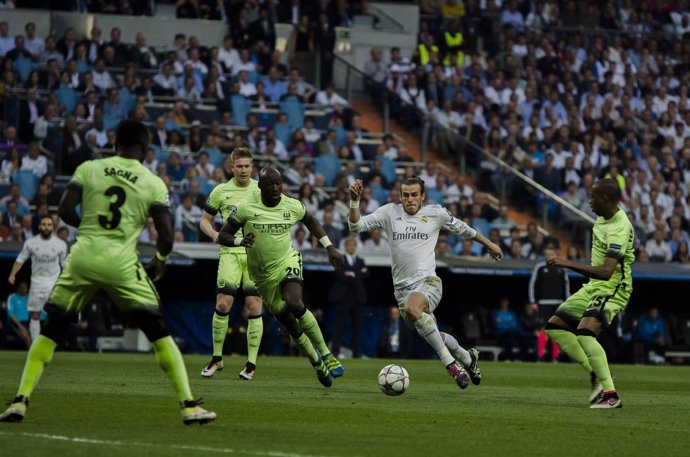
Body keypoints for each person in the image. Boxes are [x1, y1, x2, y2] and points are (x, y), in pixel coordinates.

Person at [0, 120, 215, 425]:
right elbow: (166, 234)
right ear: (145, 147)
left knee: (50, 331)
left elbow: (64, 208)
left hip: (83, 256)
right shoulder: (153, 182)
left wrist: (88, 226)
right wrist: (162, 259)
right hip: (121, 262)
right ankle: (189, 405)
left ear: (114, 144)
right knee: (158, 331)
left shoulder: (89, 168)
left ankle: (20, 401)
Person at [348, 177, 503, 389]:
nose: (409, 199)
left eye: (414, 195)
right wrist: (354, 202)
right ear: (400, 196)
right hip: (402, 291)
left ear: (422, 196)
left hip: (428, 282)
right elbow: (355, 226)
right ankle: (468, 359)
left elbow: (463, 229)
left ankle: (451, 366)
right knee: (433, 335)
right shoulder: (389, 213)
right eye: (405, 195)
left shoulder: (435, 213)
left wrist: (489, 244)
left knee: (414, 308)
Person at [217, 167, 345, 387]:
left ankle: (326, 353)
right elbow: (223, 235)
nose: (275, 187)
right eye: (270, 184)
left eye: (278, 183)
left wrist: (329, 247)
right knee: (292, 327)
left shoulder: (291, 205)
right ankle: (315, 361)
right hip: (261, 276)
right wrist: (240, 241)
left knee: (295, 303)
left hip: (287, 261)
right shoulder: (246, 207)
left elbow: (311, 220)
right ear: (260, 186)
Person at [544, 178, 635, 409]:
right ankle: (596, 373)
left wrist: (566, 263)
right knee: (555, 326)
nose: (590, 200)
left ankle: (611, 395)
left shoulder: (619, 227)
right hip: (595, 286)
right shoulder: (603, 218)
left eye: (593, 197)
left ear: (605, 199)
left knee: (585, 333)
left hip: (613, 287)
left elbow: (606, 272)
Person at [199, 147, 265, 380]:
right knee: (224, 303)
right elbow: (204, 221)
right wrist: (215, 234)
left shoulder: (261, 189)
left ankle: (251, 364)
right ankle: (217, 359)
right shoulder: (220, 191)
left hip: (255, 255)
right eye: (240, 166)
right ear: (232, 167)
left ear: (252, 166)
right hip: (230, 252)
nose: (244, 170)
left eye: (247, 166)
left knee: (254, 307)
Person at [8, 215, 68, 343]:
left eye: (49, 225)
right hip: (37, 284)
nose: (46, 227)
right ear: (40, 226)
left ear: (53, 227)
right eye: (44, 224)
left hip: (54, 284)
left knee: (58, 315)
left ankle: (53, 342)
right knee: (35, 316)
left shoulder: (61, 244)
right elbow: (20, 259)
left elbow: (64, 265)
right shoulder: (31, 242)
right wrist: (12, 274)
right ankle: (34, 345)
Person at [328, 237, 369, 358]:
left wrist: (352, 275)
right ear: (346, 247)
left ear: (356, 247)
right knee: (339, 326)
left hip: (357, 298)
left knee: (356, 327)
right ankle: (335, 352)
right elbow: (340, 275)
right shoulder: (341, 259)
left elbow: (367, 274)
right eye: (349, 246)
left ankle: (357, 354)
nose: (351, 248)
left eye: (353, 246)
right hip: (343, 298)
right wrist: (358, 274)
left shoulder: (360, 260)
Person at [528, 242, 569, 361]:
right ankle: (540, 356)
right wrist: (533, 301)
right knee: (542, 331)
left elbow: (566, 285)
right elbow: (533, 284)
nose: (549, 256)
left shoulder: (561, 269)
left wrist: (566, 303)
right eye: (547, 254)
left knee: (555, 332)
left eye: (551, 254)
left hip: (558, 304)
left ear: (555, 254)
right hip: (543, 304)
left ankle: (554, 357)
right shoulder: (540, 267)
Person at [7, 282, 32, 349]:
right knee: (25, 333)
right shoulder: (12, 297)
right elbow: (10, 314)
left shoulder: (29, 298)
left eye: (25, 288)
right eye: (22, 287)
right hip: (16, 322)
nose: (24, 289)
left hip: (27, 322)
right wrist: (20, 326)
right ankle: (32, 351)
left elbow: (32, 312)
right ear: (18, 288)